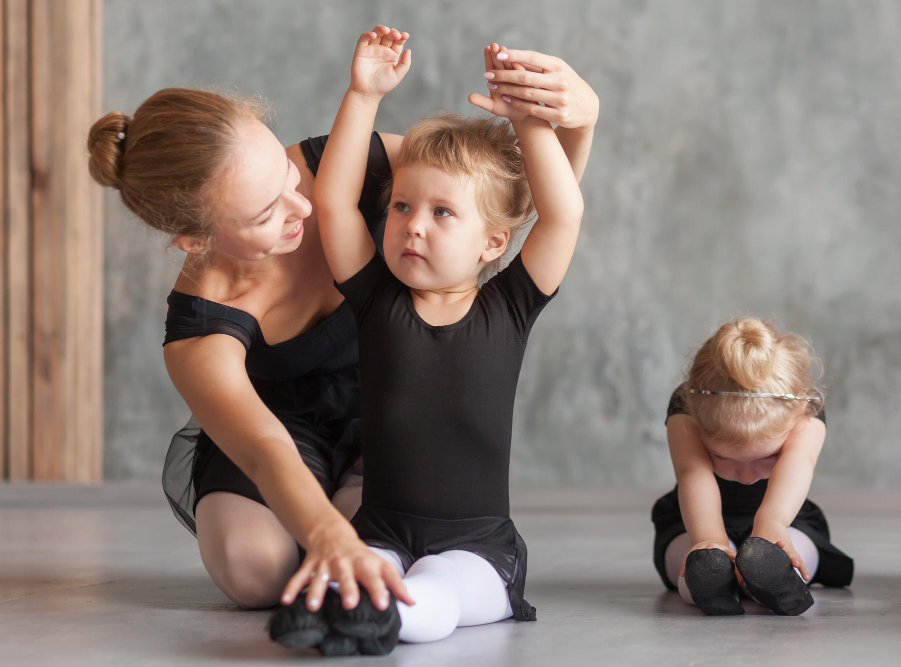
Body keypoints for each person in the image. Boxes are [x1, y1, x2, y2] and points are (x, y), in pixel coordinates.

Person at [86, 31, 598, 619]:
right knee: (256, 569)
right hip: (285, 428)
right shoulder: (200, 331)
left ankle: (357, 506)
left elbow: (517, 203)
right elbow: (265, 449)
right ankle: (333, 527)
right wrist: (329, 535)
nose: (300, 206)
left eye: (286, 174)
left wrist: (576, 121)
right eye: (265, 212)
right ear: (195, 240)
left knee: (389, 540)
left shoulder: (356, 167)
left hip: (388, 407)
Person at [269, 25, 586, 655]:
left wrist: (529, 121)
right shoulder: (374, 301)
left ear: (493, 241)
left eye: (442, 213)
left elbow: (562, 213)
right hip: (380, 528)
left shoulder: (512, 306)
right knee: (358, 565)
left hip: (478, 549)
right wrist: (363, 95)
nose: (414, 227)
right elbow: (333, 203)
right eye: (402, 208)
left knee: (437, 584)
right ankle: (345, 610)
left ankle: (383, 619)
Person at [652, 317, 853, 616]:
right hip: (697, 518)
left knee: (788, 551)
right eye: (725, 459)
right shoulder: (687, 407)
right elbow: (692, 474)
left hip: (785, 519)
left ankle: (771, 579)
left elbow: (797, 467)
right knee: (694, 556)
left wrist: (771, 524)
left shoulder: (806, 410)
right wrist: (710, 538)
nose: (747, 475)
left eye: (767, 458)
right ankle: (713, 581)